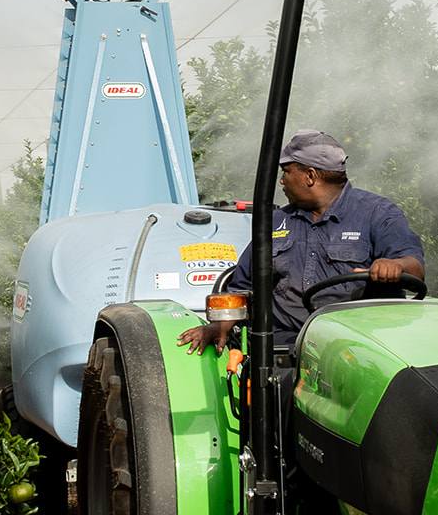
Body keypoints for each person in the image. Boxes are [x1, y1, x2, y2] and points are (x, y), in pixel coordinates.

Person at [179, 129, 425, 354]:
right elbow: (242, 287)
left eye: (286, 172)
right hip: (283, 349)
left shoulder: (378, 213)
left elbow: (415, 269)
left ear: (310, 176)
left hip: (357, 348)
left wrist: (396, 266)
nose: (282, 180)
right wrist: (217, 327)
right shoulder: (275, 222)